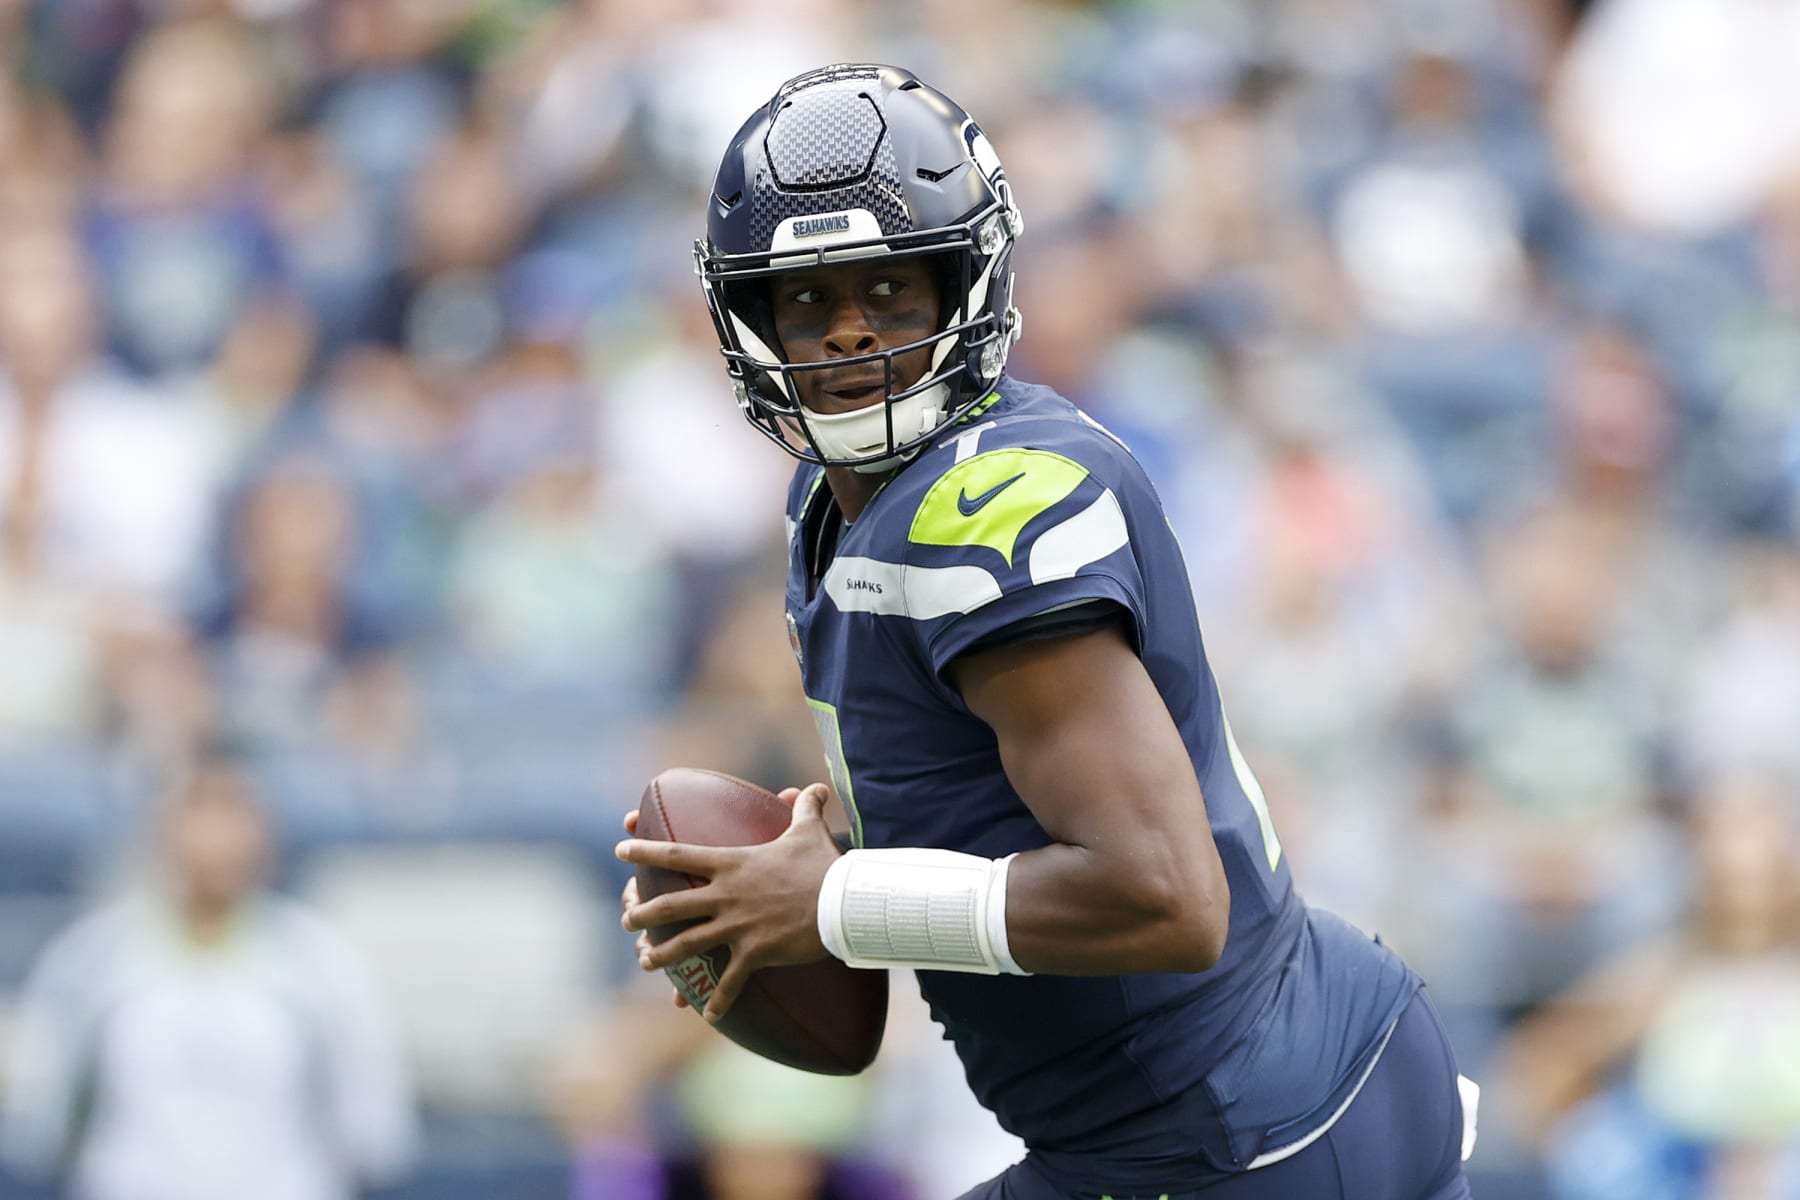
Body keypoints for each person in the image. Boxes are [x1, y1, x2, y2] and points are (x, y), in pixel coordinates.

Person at [617, 63, 1475, 1200]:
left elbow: (1164, 892)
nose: (849, 335)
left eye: (891, 291)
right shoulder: (841, 504)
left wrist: (834, 903)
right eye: (809, 300)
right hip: (1215, 1112)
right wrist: (841, 860)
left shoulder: (990, 507)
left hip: (1236, 1128)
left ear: (966, 285)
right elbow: (1006, 808)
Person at [0, 746, 418, 1200]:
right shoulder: (90, 960)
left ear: (266, 831)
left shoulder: (321, 963)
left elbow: (373, 1132)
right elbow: (43, 1127)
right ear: (158, 828)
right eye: (196, 809)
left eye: (233, 810)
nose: (214, 834)